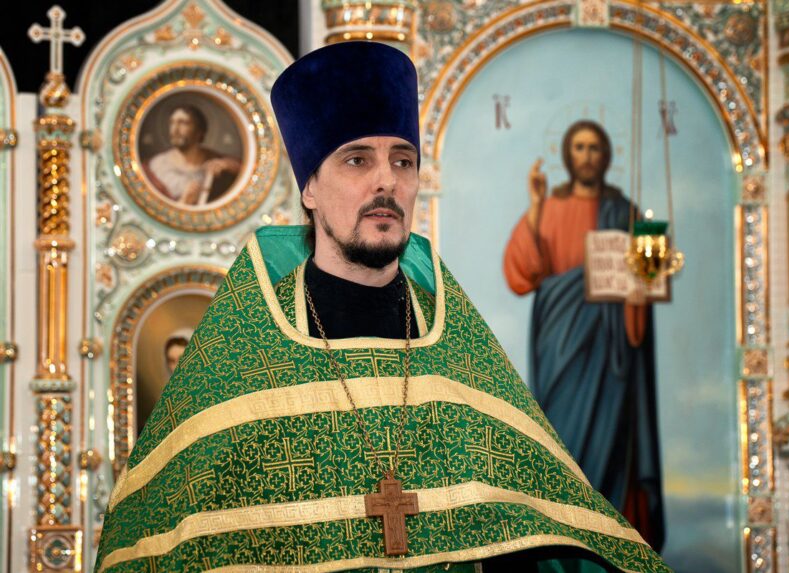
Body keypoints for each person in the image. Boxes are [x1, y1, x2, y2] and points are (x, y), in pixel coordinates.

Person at [95, 43, 669, 573]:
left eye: (402, 161)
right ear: (309, 189)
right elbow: (163, 543)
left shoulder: (456, 342)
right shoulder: (245, 344)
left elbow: (535, 528)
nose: (386, 182)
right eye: (356, 160)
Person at [503, 121, 665, 551]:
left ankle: (610, 543)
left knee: (610, 448)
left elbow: (645, 282)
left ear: (606, 155)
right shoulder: (550, 207)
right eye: (579, 147)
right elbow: (522, 273)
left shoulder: (625, 213)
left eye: (594, 148)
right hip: (561, 349)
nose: (587, 156)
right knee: (562, 441)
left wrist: (642, 286)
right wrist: (535, 205)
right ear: (567, 154)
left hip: (612, 360)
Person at [143, 104, 241, 206]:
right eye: (172, 123)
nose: (175, 129)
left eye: (183, 123)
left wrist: (228, 165)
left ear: (199, 131)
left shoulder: (218, 162)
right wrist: (183, 203)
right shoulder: (154, 166)